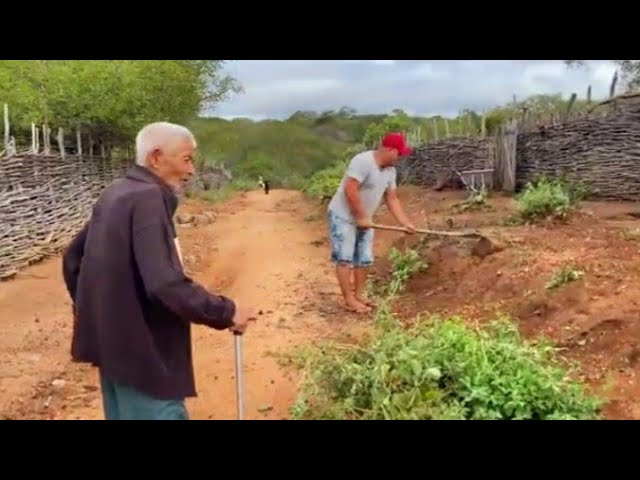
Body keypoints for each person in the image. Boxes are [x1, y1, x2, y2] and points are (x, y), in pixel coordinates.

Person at [62, 122, 258, 420]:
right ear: (156, 158)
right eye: (186, 159)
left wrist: (104, 318)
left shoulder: (117, 192)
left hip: (116, 351)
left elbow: (73, 259)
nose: (192, 171)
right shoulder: (148, 198)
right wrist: (227, 311)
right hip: (146, 356)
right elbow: (164, 283)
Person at [327, 132, 417, 314]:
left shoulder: (391, 172)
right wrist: (360, 216)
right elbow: (350, 189)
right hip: (343, 216)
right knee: (344, 258)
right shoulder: (362, 161)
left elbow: (392, 198)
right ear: (390, 150)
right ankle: (348, 300)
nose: (400, 158)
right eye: (399, 153)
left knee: (365, 258)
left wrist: (405, 222)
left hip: (365, 220)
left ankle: (359, 295)